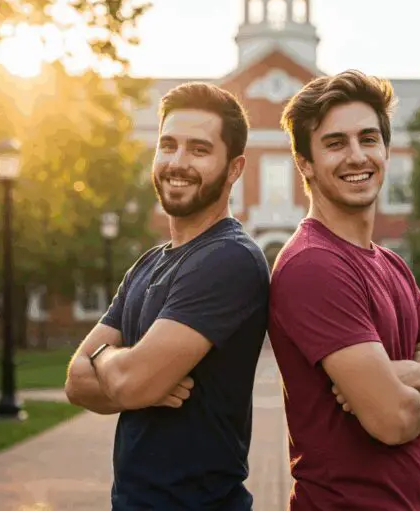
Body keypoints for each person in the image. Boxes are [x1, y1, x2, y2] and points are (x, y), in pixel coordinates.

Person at [267, 70, 420, 510]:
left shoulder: (391, 265)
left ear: (385, 148)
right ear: (304, 162)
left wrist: (408, 374)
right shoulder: (313, 265)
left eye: (368, 138)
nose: (357, 156)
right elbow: (393, 419)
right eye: (335, 143)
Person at [64, 82, 270, 511]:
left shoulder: (229, 259)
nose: (178, 162)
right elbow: (75, 383)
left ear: (234, 169)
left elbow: (125, 381)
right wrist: (132, 381)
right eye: (168, 145)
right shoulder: (148, 264)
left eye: (199, 149)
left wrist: (114, 368)